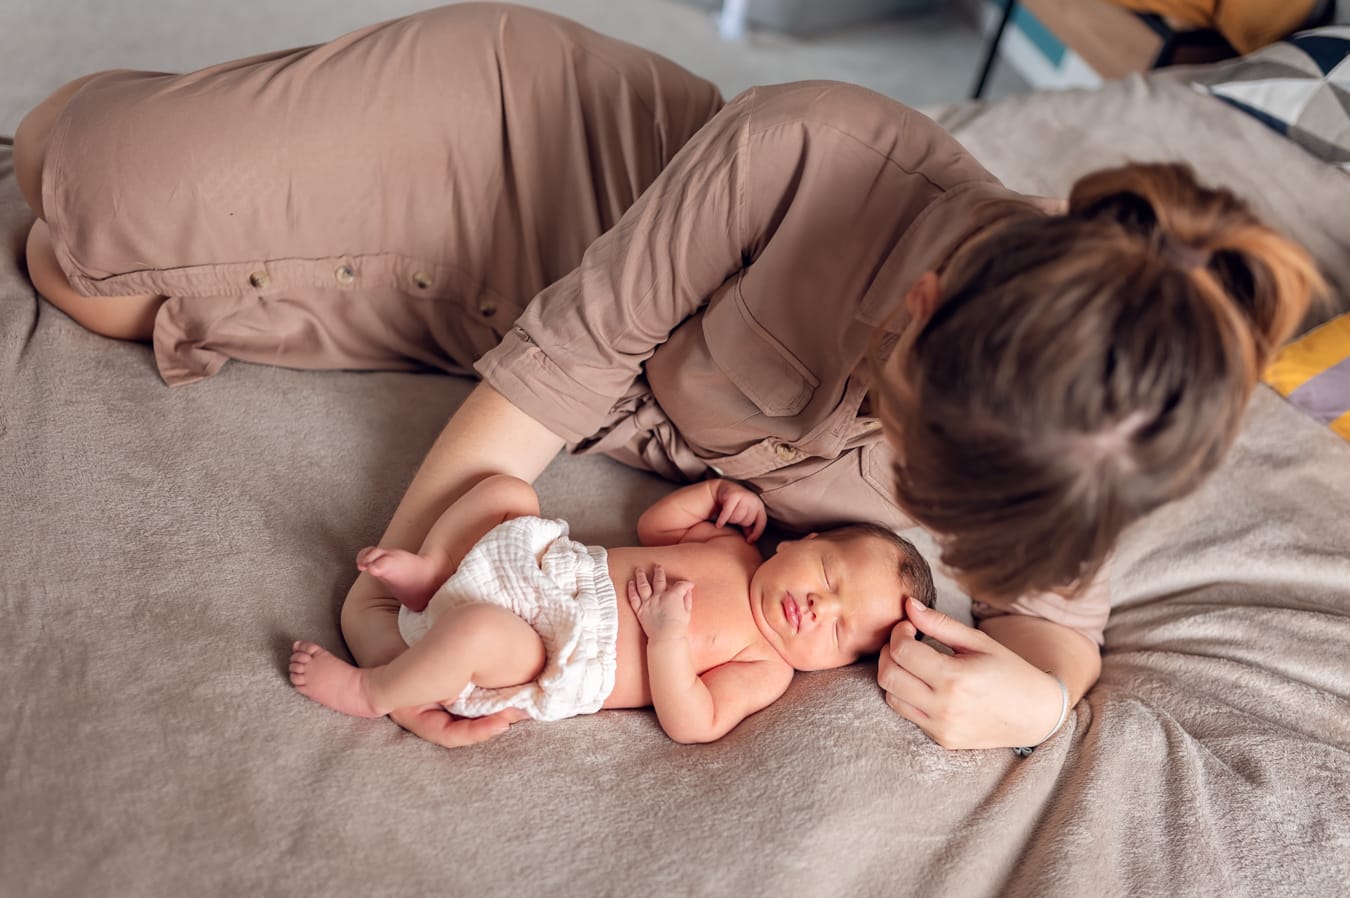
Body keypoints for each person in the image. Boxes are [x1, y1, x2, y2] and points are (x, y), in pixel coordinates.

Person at [13, 4, 1327, 751]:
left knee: (97, 284)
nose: (910, 496)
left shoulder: (1098, 429)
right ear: (918, 310)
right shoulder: (809, 150)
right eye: (907, 450)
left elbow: (1054, 630)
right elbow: (542, 390)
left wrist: (1035, 699)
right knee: (72, 183)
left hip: (481, 337)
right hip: (514, 170)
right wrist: (386, 630)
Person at [288, 474, 936, 745]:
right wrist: (712, 494)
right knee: (508, 492)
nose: (819, 606)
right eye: (829, 576)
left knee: (477, 632)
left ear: (837, 664)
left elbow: (695, 722)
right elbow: (656, 527)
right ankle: (435, 572)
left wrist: (667, 637)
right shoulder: (734, 550)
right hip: (542, 569)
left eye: (840, 630)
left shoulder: (766, 665)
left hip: (548, 653)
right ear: (799, 542)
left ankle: (372, 691)